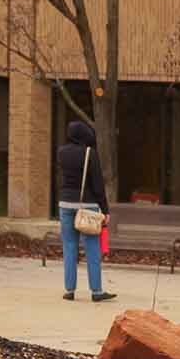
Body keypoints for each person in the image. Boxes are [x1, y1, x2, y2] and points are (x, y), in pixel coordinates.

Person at [56, 119, 115, 303]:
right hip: (87, 206)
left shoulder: (61, 152)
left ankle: (69, 290)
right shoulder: (90, 153)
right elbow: (98, 184)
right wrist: (105, 209)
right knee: (92, 248)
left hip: (65, 204)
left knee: (69, 246)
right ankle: (96, 291)